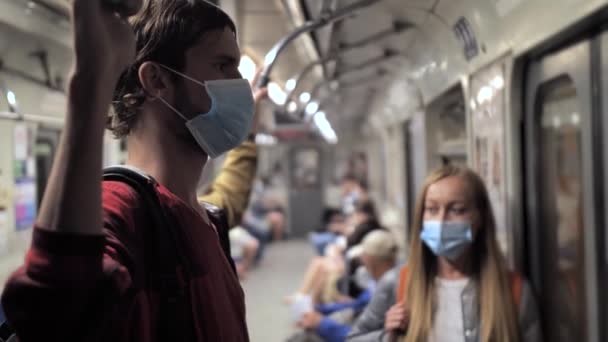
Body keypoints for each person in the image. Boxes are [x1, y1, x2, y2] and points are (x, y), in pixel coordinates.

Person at [1, 1, 267, 341]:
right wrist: (91, 82)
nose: (240, 86)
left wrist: (250, 139)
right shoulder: (119, 208)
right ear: (157, 80)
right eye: (223, 65)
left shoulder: (204, 217)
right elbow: (55, 308)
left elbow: (230, 193)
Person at [383, 165, 541, 342]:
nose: (441, 221)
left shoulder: (514, 290)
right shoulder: (399, 282)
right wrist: (386, 336)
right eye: (432, 210)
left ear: (479, 217)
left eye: (456, 210)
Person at [297, 230, 398, 342]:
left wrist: (321, 323)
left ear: (370, 259)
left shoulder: (387, 287)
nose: (361, 259)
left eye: (363, 255)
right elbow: (357, 305)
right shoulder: (377, 283)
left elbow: (361, 335)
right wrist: (320, 310)